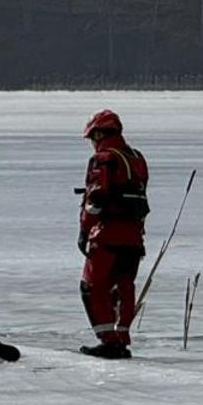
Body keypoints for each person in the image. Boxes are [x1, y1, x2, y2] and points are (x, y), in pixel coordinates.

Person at [77, 109, 150, 360]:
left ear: (99, 134)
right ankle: (121, 338)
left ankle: (109, 341)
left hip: (108, 236)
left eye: (92, 138)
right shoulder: (136, 158)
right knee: (123, 287)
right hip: (134, 238)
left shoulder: (104, 159)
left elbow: (94, 201)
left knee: (92, 287)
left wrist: (84, 231)